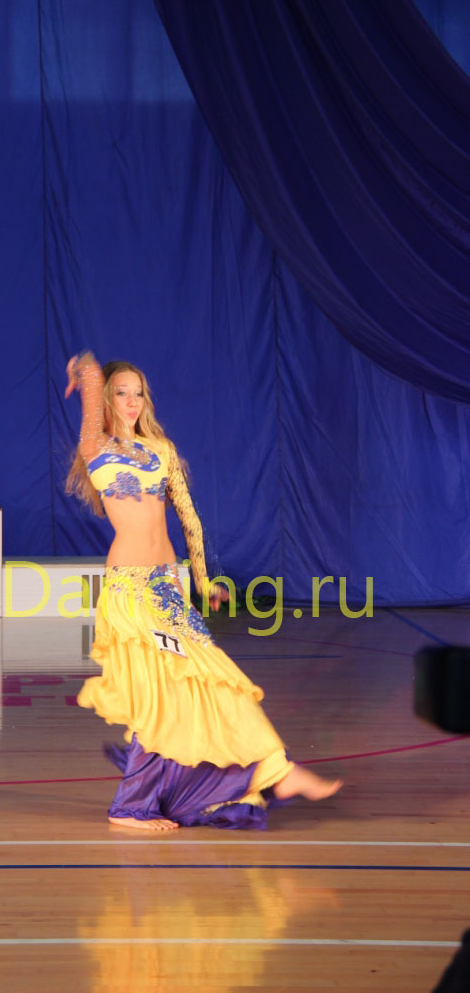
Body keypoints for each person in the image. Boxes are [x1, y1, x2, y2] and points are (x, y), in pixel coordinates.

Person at [65, 350, 341, 831]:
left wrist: (201, 579)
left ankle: (276, 770)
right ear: (107, 399)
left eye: (138, 393)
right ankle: (129, 808)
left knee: (211, 682)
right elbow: (90, 380)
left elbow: (189, 519)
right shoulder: (96, 446)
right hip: (129, 592)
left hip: (166, 589)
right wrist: (85, 371)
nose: (131, 401)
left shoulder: (162, 450)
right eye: (121, 393)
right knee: (161, 694)